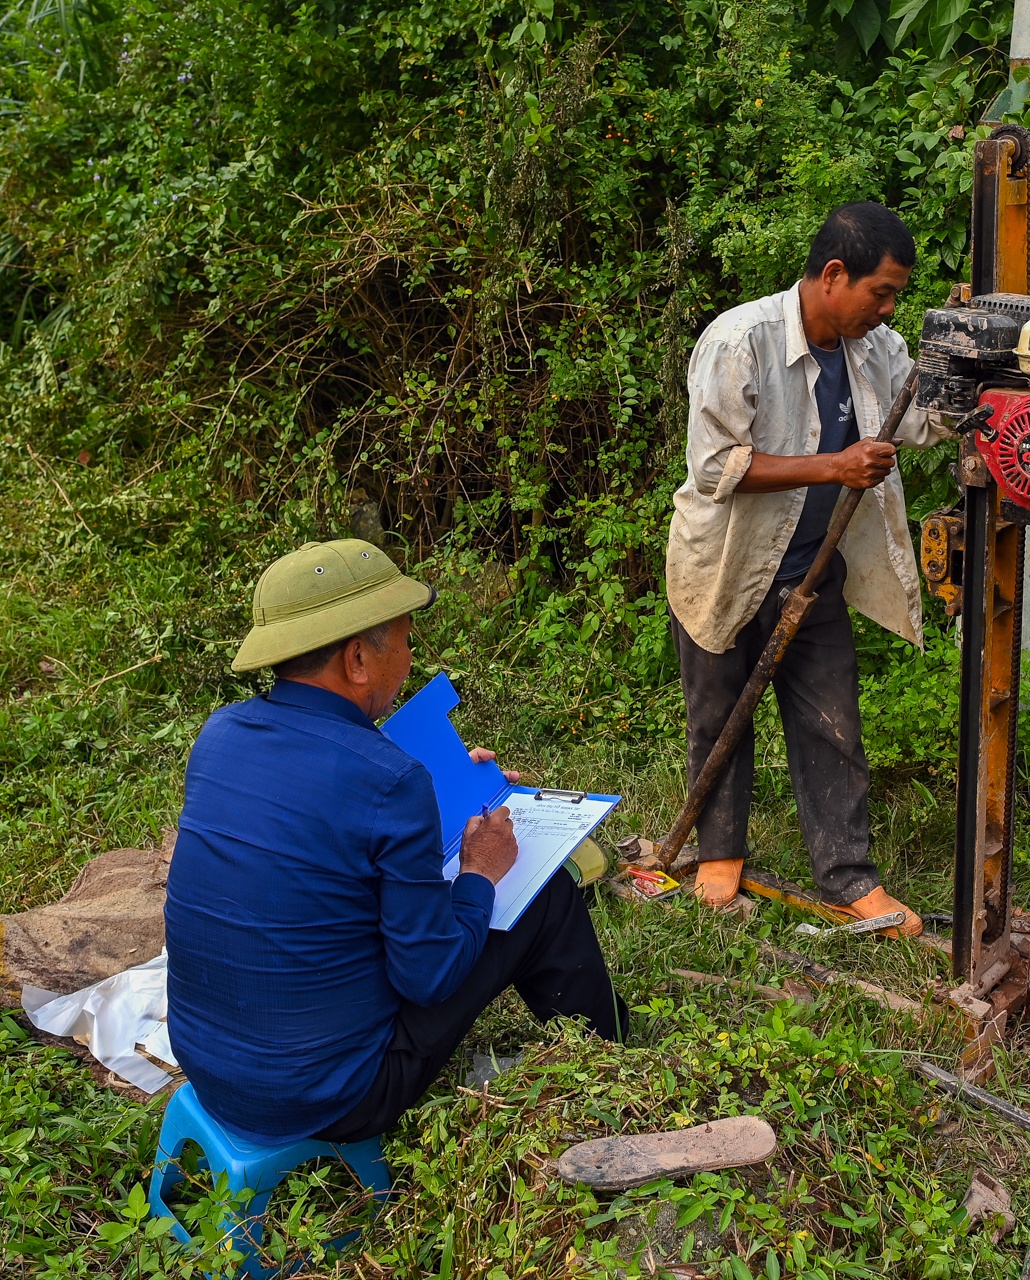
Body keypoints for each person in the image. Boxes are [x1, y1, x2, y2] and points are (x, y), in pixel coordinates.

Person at [167, 539, 625, 1146]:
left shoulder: (219, 735)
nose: (409, 660)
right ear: (358, 659)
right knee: (545, 896)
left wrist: (430, 779)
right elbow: (429, 977)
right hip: (332, 1098)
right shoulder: (388, 781)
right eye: (405, 639)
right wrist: (480, 873)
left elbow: (325, 799)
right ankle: (613, 1065)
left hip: (211, 1069)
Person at [666, 201, 945, 934]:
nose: (888, 310)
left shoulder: (875, 347)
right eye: (880, 292)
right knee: (718, 711)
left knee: (833, 722)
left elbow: (918, 418)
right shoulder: (740, 341)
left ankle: (850, 876)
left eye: (896, 296)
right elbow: (717, 465)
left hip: (816, 571)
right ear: (832, 275)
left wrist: (974, 375)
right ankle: (719, 849)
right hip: (726, 566)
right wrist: (835, 466)